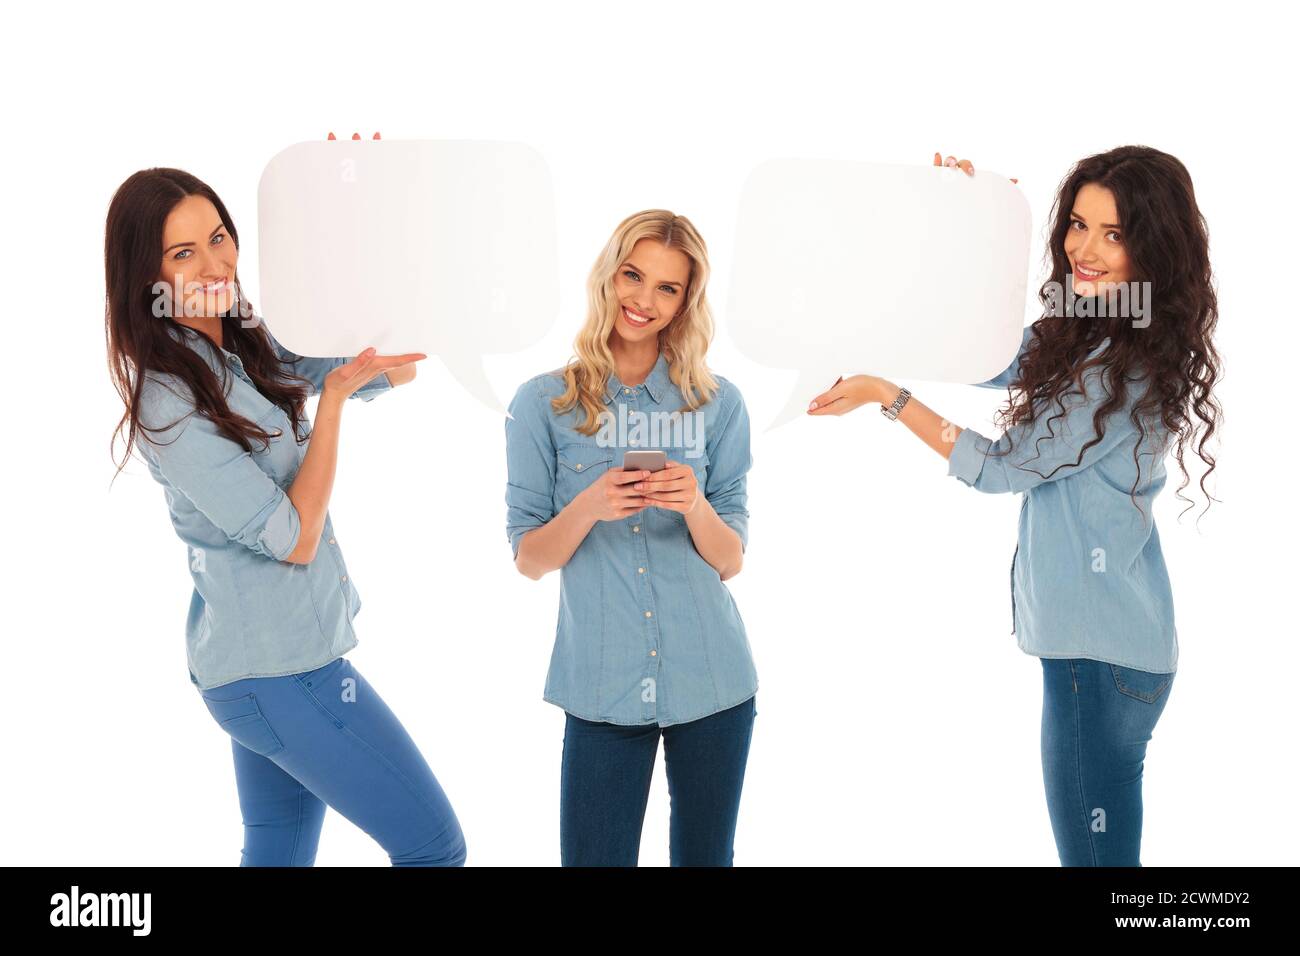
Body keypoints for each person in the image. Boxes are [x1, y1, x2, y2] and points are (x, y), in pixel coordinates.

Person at [808, 147, 1221, 865]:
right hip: (1116, 651)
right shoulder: (1099, 327)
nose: (1084, 250)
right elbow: (991, 355)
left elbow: (1000, 470)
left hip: (1097, 661)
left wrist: (889, 398)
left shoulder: (1114, 369)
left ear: (1150, 250)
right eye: (1078, 225)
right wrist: (967, 221)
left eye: (1113, 235)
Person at [106, 167, 465, 866]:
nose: (215, 265)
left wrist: (359, 217)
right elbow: (294, 539)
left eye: (218, 238)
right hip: (275, 674)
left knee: (278, 856)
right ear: (145, 276)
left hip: (278, 666)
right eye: (184, 255)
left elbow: (394, 362)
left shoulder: (244, 338)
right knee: (435, 848)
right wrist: (330, 405)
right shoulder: (166, 401)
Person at [505, 210, 758, 866]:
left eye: (667, 288)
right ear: (609, 276)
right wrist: (589, 505)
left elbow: (730, 559)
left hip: (713, 682)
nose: (644, 301)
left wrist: (696, 504)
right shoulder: (543, 404)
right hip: (600, 685)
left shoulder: (717, 404)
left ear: (684, 303)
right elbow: (529, 559)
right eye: (633, 275)